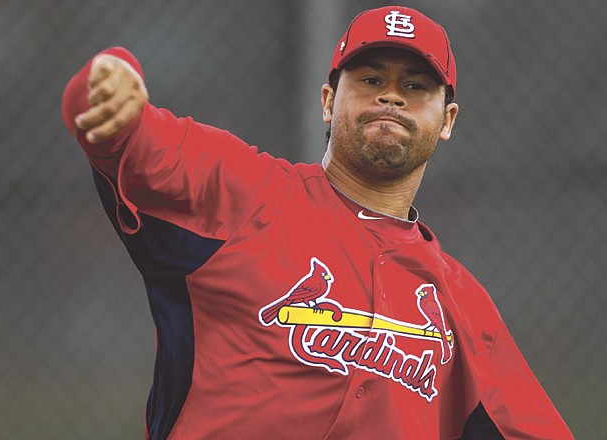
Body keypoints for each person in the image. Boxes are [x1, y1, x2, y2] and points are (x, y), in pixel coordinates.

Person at [62, 5, 573, 439]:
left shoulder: (460, 303)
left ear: (447, 121)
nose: (391, 96)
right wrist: (111, 77)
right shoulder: (245, 194)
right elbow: (123, 135)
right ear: (329, 102)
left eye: (415, 86)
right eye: (371, 79)